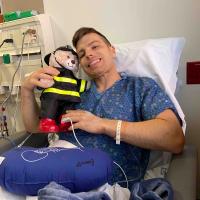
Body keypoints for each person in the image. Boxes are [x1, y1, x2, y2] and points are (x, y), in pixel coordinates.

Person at [21, 27, 185, 189]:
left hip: (106, 188)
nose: (89, 54)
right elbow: (35, 127)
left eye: (95, 46)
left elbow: (174, 138)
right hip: (53, 177)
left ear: (112, 50)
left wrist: (102, 125)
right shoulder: (73, 92)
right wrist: (26, 91)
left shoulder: (140, 87)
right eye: (82, 54)